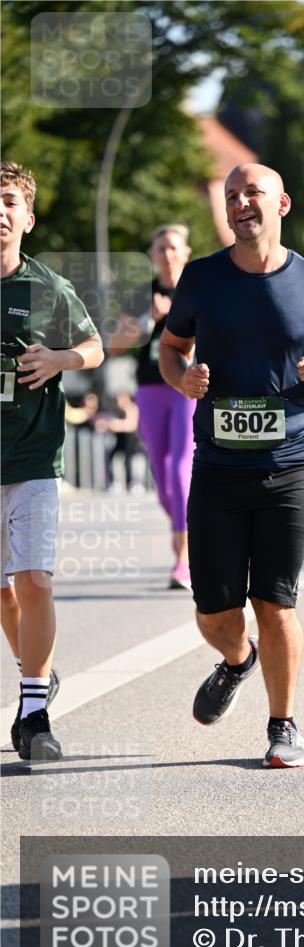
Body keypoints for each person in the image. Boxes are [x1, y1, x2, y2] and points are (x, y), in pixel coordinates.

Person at [159, 163, 304, 768]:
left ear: (282, 203)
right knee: (214, 612)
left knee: (275, 603)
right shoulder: (201, 279)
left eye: (253, 192)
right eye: (232, 195)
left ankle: (283, 725)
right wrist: (182, 379)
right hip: (219, 466)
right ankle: (237, 659)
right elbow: (171, 348)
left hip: (291, 462)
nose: (240, 202)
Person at [1, 161, 104, 760]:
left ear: (28, 219)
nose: (0, 211)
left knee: (34, 578)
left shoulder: (49, 288)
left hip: (34, 456)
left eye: (9, 201)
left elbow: (93, 346)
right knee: (3, 593)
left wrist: (60, 360)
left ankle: (34, 713)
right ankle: (35, 673)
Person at [109, 224, 195, 588]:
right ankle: (193, 533)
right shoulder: (142, 295)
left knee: (179, 469)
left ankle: (183, 561)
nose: (168, 254)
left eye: (174, 247)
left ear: (186, 252)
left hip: (187, 388)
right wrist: (151, 318)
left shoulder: (199, 289)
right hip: (150, 389)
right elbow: (114, 344)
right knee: (162, 484)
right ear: (153, 256)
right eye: (161, 248)